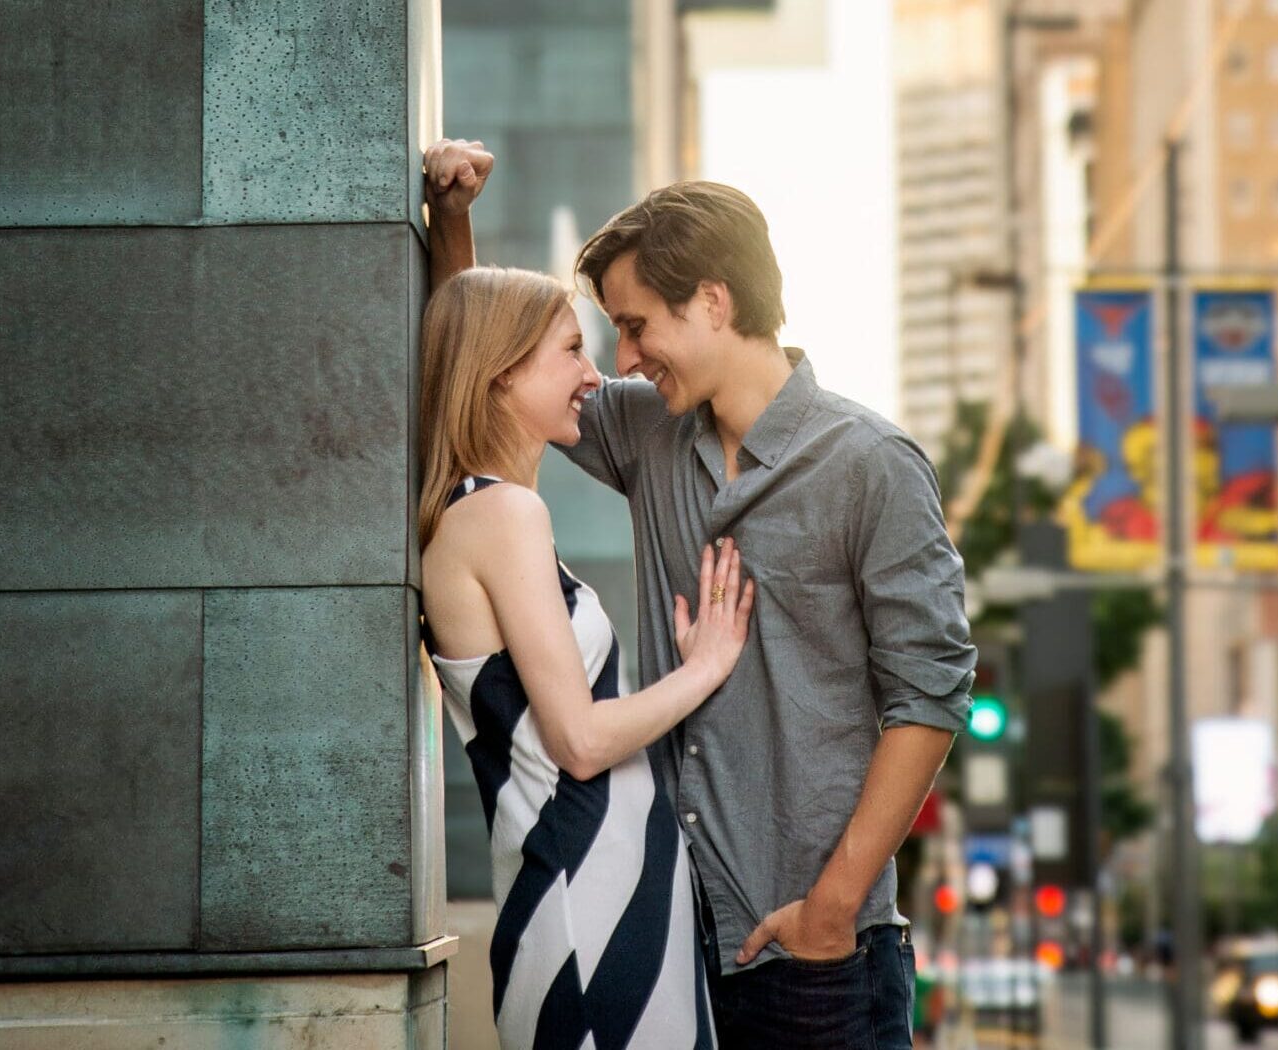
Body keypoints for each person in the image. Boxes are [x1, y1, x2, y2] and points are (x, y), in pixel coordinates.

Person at [424, 139, 975, 1049]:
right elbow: (493, 372)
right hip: (674, 934)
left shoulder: (872, 466)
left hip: (813, 951)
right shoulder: (652, 433)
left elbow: (931, 696)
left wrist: (832, 909)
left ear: (714, 302)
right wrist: (453, 223)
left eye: (637, 326)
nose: (625, 358)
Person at [418, 204, 756, 1045]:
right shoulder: (503, 517)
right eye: (572, 349)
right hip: (587, 902)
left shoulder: (484, 512)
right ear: (502, 374)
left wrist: (451, 222)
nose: (597, 375)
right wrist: (704, 668)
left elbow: (463, 326)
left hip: (601, 894)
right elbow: (578, 742)